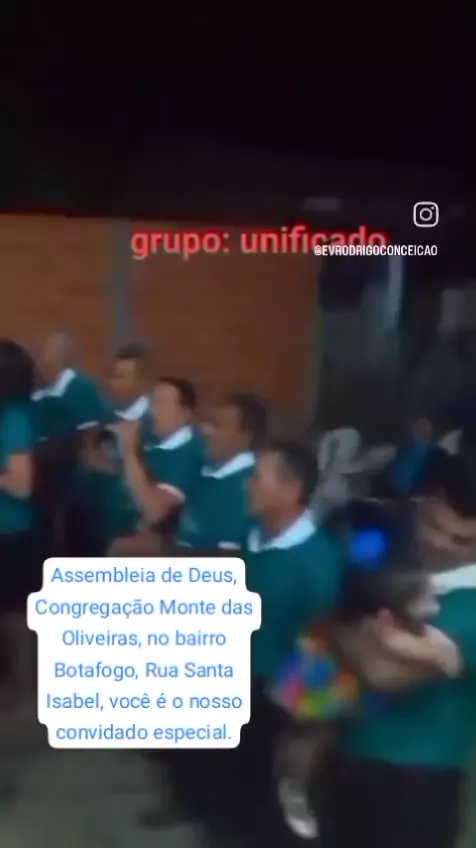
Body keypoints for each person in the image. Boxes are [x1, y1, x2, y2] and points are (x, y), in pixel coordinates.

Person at [320, 451, 476, 848]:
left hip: (418, 780)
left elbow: (380, 672)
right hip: (345, 750)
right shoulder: (387, 544)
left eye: (462, 540)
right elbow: (329, 615)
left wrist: (345, 627)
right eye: (432, 523)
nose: (439, 543)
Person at [272, 530, 454, 840]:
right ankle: (293, 788)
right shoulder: (380, 626)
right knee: (311, 734)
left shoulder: (389, 593)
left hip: (334, 667)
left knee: (325, 735)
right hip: (321, 665)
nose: (435, 607)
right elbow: (387, 658)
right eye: (426, 600)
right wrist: (441, 656)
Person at [109, 377, 203, 555]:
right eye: (152, 402)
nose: (152, 410)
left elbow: (154, 511)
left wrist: (129, 451)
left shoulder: (187, 453)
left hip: (144, 543)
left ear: (184, 414)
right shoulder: (152, 436)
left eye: (161, 404)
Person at [176, 393, 267, 552]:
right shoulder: (200, 470)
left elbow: (224, 562)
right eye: (206, 423)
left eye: (216, 425)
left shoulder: (248, 489)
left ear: (245, 437)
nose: (204, 430)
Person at [0, 340, 40, 700]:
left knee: (13, 615)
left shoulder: (15, 418)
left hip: (10, 530)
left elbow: (21, 484)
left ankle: (24, 692)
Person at [370, 412, 447, 499]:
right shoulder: (402, 450)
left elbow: (437, 482)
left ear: (431, 428)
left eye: (425, 426)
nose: (421, 429)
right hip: (392, 496)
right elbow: (389, 474)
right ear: (412, 428)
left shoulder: (437, 454)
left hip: (419, 498)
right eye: (418, 426)